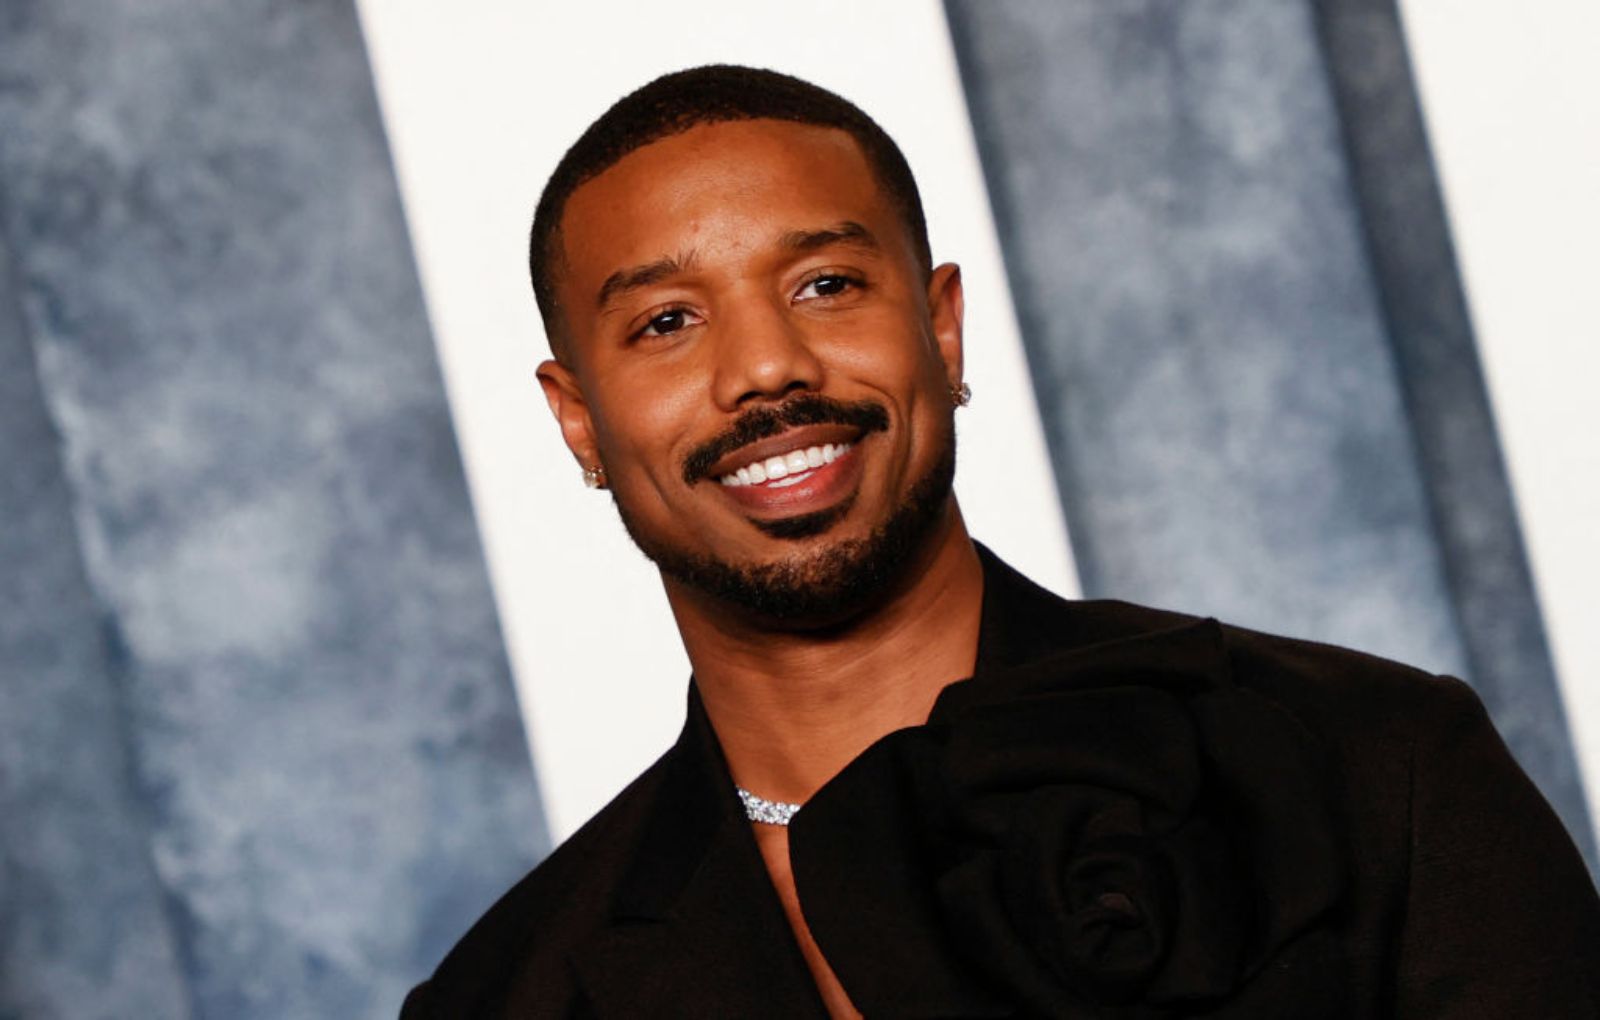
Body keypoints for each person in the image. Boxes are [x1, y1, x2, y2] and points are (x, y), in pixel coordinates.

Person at [402, 65, 1600, 1018]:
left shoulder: (1377, 770)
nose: (765, 367)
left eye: (825, 285)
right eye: (667, 321)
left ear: (941, 330)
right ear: (578, 421)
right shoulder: (509, 996)